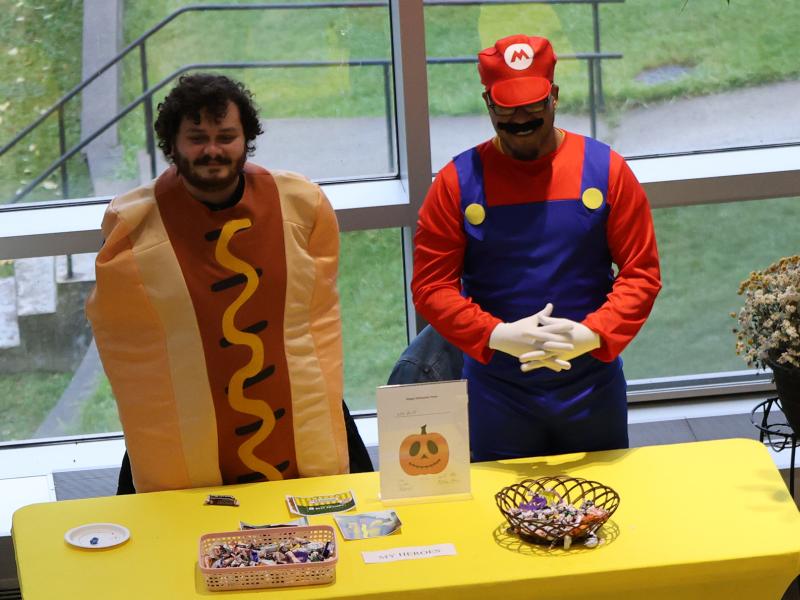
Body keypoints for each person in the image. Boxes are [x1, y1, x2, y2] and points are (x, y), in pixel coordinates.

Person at [86, 73, 371, 493]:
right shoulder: (134, 226)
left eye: (226, 136)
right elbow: (127, 339)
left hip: (300, 419)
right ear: (172, 144)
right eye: (197, 138)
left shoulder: (299, 206)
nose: (212, 150)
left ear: (246, 138)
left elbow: (319, 316)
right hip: (180, 433)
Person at [411, 35, 661, 461]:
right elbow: (431, 286)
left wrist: (593, 333)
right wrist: (495, 334)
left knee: (603, 495)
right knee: (495, 500)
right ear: (488, 103)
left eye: (532, 104)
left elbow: (642, 273)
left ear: (554, 97)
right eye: (507, 107)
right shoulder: (457, 182)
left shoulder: (606, 169)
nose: (520, 119)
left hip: (592, 385)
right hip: (496, 391)